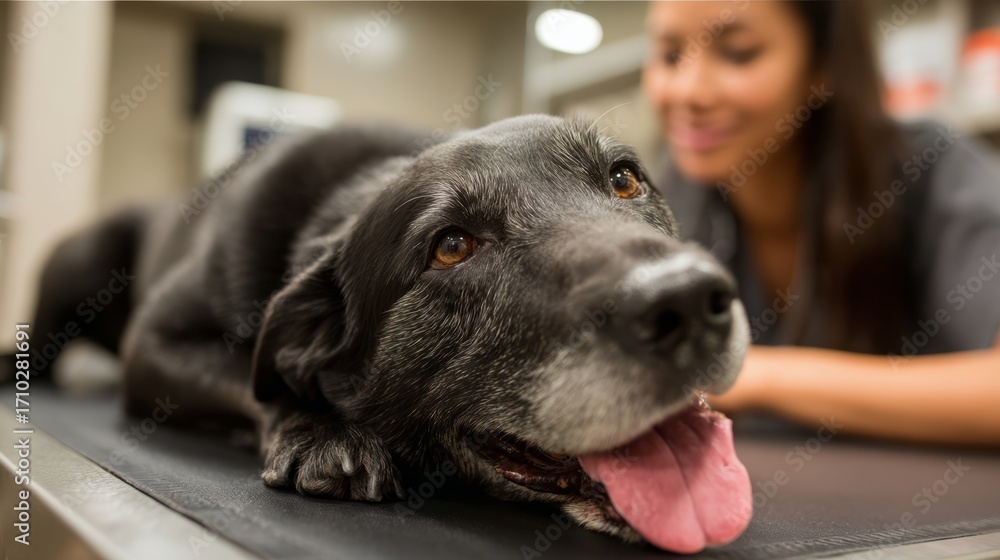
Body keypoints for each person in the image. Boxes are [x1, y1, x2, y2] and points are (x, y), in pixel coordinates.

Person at [641, 1, 1000, 446]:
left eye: (738, 53)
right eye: (670, 55)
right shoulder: (670, 202)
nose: (688, 91)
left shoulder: (930, 170)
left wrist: (755, 376)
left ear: (823, 64)